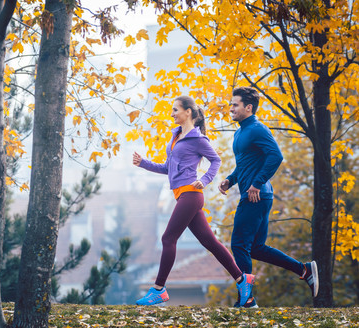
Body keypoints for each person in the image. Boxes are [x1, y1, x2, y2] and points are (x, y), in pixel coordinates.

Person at [133, 96, 255, 307]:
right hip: (182, 195)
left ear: (188, 112)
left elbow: (216, 160)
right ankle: (243, 281)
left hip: (191, 194)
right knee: (210, 242)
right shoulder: (176, 136)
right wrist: (143, 163)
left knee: (167, 239)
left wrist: (204, 180)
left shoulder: (198, 139)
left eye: (175, 110)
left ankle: (158, 289)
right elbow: (167, 169)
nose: (172, 114)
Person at [218, 86, 319, 308]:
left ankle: (247, 300)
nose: (231, 108)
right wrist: (230, 180)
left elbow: (276, 155)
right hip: (256, 194)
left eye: (235, 105)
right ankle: (303, 269)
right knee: (255, 248)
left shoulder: (257, 129)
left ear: (248, 107)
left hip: (256, 196)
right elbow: (244, 164)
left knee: (239, 245)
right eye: (231, 104)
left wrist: (256, 183)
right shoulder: (240, 132)